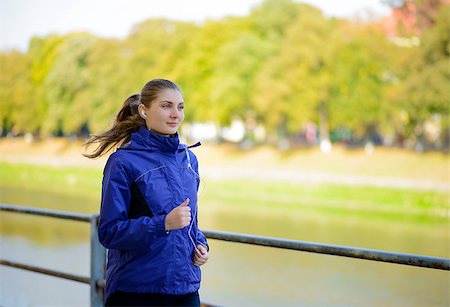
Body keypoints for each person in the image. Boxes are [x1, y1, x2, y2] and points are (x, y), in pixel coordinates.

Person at [84, 78, 209, 307]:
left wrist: (201, 246)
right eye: (166, 106)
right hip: (136, 291)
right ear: (144, 110)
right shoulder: (123, 161)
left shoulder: (189, 160)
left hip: (186, 289)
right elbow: (109, 232)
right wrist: (162, 224)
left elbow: (191, 224)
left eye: (180, 107)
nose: (175, 114)